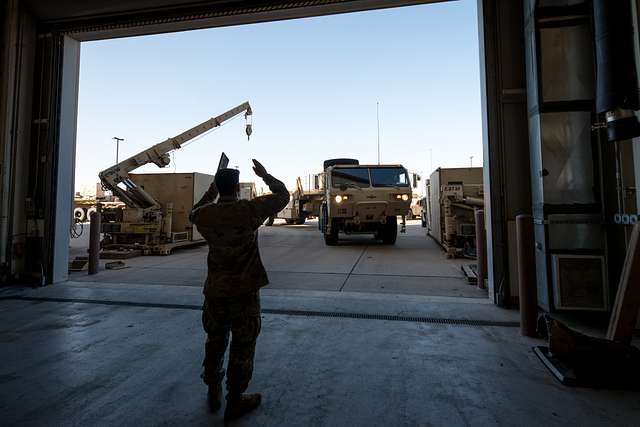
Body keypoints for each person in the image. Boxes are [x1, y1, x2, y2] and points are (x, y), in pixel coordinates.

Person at [190, 159, 289, 422]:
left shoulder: (206, 216)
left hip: (216, 290)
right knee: (242, 345)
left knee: (215, 339)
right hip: (244, 292)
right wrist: (266, 175)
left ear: (218, 188)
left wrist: (211, 191)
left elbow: (194, 211)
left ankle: (212, 386)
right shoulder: (248, 211)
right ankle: (234, 400)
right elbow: (283, 196)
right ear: (237, 187)